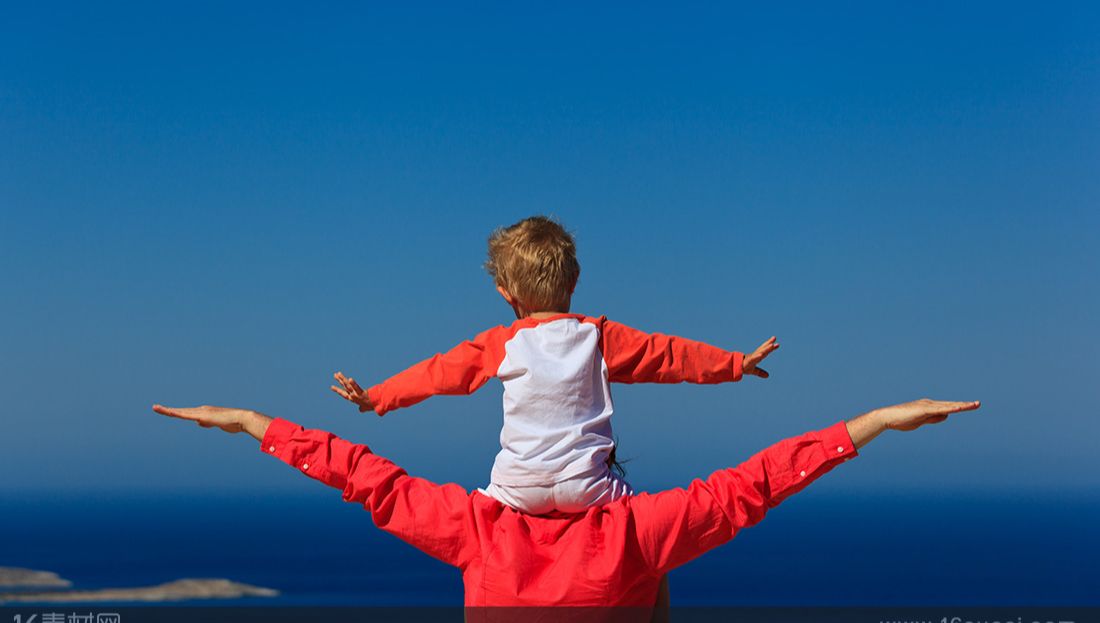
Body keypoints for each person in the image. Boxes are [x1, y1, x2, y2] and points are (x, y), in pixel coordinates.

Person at [152, 397, 979, 612]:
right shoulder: (640, 533)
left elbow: (360, 472)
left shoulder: (476, 529)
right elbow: (754, 483)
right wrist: (869, 423)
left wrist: (254, 423)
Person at [328, 215, 781, 514]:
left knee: (477, 525)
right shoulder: (598, 337)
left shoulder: (501, 343)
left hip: (515, 487)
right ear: (576, 279)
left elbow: (438, 373)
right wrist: (735, 363)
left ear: (507, 294)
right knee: (645, 537)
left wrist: (377, 398)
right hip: (587, 486)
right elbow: (669, 356)